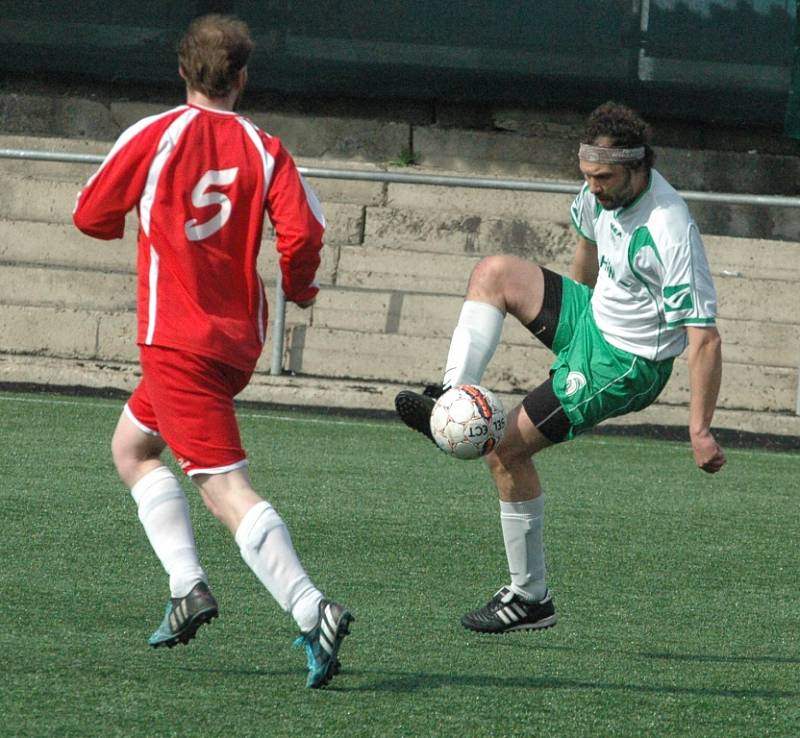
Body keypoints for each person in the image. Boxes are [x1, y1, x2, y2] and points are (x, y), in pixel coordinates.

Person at [73, 14, 353, 688]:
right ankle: (186, 586)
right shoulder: (266, 149)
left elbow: (89, 214)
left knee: (223, 486)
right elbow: (303, 233)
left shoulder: (154, 135)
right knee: (131, 449)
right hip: (235, 343)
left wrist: (135, 219)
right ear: (244, 77)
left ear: (181, 70)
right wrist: (301, 288)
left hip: (176, 340)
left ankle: (310, 607)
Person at [395, 101, 726, 634]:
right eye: (587, 175)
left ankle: (530, 597)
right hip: (592, 322)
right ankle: (453, 394)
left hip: (626, 363)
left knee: (505, 449)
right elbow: (588, 244)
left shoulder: (670, 229)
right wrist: (569, 324)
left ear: (638, 168)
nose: (593, 186)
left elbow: (704, 338)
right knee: (494, 272)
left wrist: (700, 429)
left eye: (603, 177)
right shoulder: (602, 192)